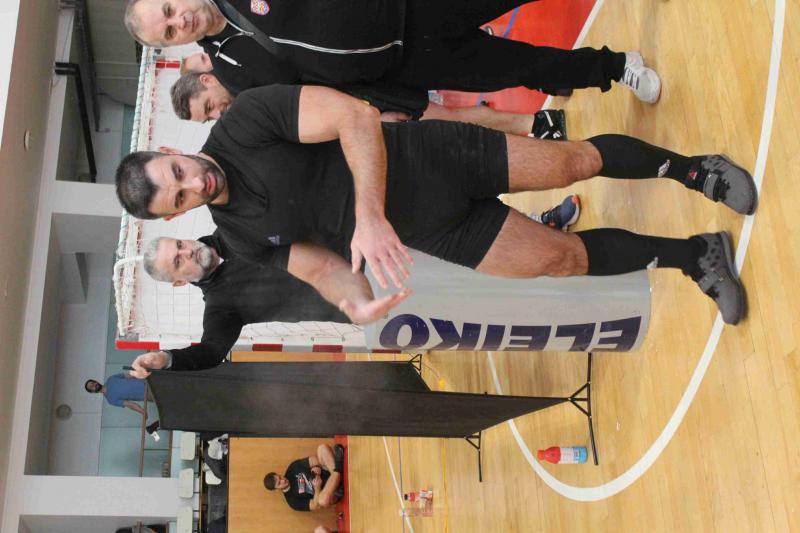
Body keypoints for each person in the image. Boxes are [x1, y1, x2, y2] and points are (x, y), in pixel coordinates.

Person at [115, 85, 756, 325]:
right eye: (179, 197)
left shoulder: (246, 123)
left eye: (179, 172)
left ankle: (697, 170)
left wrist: (369, 215)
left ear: (171, 149)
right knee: (559, 259)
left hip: (435, 159)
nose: (194, 185)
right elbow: (321, 268)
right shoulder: (240, 236)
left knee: (574, 162)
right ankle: (698, 256)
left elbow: (355, 117)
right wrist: (355, 304)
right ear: (174, 216)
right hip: (435, 230)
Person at [127, 196, 580, 378]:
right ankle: (567, 310)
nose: (187, 252)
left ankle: (541, 226)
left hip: (381, 248)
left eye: (179, 245)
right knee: (479, 300)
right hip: (376, 300)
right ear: (178, 283)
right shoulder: (222, 307)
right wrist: (167, 359)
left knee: (474, 243)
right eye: (178, 262)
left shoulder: (233, 227)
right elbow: (210, 353)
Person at [123, 0, 661, 104]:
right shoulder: (233, 72)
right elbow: (312, 98)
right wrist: (395, 101)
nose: (179, 20)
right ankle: (616, 67)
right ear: (173, 45)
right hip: (407, 65)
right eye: (168, 30)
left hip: (413, 5)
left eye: (169, 8)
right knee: (518, 68)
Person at [172, 56, 568, 139]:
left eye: (208, 106)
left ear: (207, 80)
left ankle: (544, 94)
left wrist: (372, 115)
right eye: (209, 118)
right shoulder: (249, 105)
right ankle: (537, 118)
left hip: (369, 85)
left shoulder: (248, 70)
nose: (217, 113)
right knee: (448, 115)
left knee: (462, 75)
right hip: (366, 95)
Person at [264, 444, 345, 512]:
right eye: (279, 483)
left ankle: (337, 478)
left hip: (328, 473)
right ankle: (338, 470)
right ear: (277, 489)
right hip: (330, 492)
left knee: (322, 448)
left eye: (280, 477)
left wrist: (315, 467)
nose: (283, 480)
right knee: (323, 501)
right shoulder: (292, 501)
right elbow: (316, 506)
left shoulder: (292, 468)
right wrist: (317, 487)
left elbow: (314, 460)